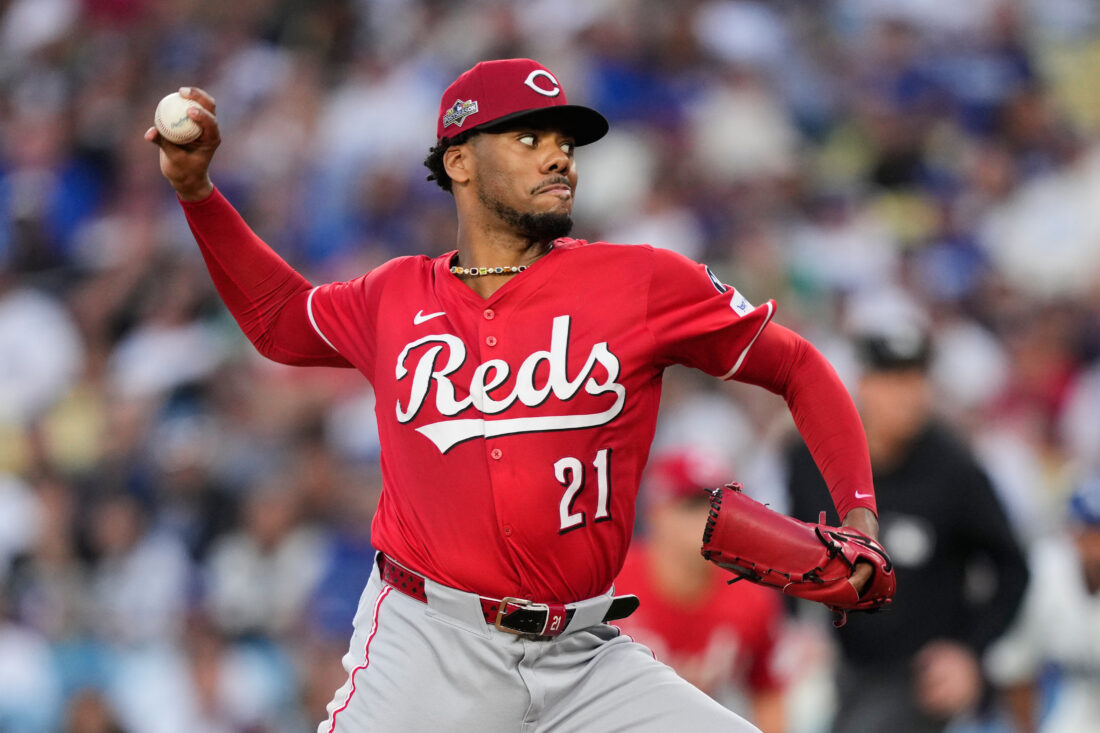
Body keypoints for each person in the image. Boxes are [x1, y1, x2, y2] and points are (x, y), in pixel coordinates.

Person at [147, 57, 882, 732]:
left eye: (564, 142)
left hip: (585, 657)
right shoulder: (393, 296)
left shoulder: (643, 282)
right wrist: (198, 194)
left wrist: (859, 514)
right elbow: (280, 322)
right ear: (460, 161)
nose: (559, 156)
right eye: (528, 138)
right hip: (430, 649)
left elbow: (798, 367)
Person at [783, 322, 1029, 733]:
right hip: (832, 656)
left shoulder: (953, 469)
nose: (909, 395)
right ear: (864, 384)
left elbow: (1012, 566)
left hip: (917, 672)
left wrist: (970, 652)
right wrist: (794, 625)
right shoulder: (810, 458)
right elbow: (789, 548)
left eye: (917, 380)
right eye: (894, 380)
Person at [613, 448, 788, 733]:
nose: (710, 517)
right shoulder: (610, 584)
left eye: (719, 505)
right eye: (693, 505)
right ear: (656, 513)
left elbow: (768, 692)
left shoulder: (752, 597)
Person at [983, 477, 1100, 733]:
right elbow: (1014, 666)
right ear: (1074, 532)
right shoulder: (1044, 570)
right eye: (1091, 532)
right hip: (1067, 706)